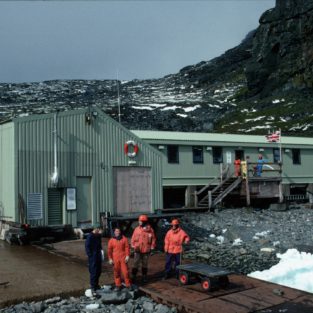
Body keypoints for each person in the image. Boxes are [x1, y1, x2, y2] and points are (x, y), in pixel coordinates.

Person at [131, 214, 156, 283]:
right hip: (137, 249)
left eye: (140, 221)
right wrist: (133, 245)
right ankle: (133, 276)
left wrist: (152, 246)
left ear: (144, 222)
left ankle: (144, 277)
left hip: (146, 250)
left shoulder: (150, 230)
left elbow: (153, 239)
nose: (139, 222)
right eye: (139, 221)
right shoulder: (137, 229)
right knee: (135, 263)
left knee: (145, 264)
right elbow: (133, 238)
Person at [85, 225, 103, 295]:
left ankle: (96, 284)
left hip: (98, 254)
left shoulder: (98, 236)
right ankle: (93, 286)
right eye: (99, 231)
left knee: (99, 271)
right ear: (96, 229)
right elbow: (87, 246)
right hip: (93, 256)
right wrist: (90, 255)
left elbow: (100, 244)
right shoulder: (90, 236)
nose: (100, 232)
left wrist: (101, 251)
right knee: (93, 271)